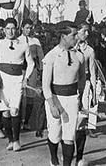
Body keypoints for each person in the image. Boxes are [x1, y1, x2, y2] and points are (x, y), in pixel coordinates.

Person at [42, 22, 85, 166]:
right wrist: (52, 104)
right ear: (63, 36)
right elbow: (45, 86)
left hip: (72, 98)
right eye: (73, 35)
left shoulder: (79, 56)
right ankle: (54, 159)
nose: (77, 38)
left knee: (69, 136)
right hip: (55, 98)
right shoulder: (51, 56)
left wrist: (80, 100)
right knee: (54, 134)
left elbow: (82, 80)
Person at [0, 18, 34, 152]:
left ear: (17, 29)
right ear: (3, 30)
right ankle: (10, 139)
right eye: (7, 28)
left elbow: (31, 63)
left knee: (15, 110)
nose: (10, 31)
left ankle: (16, 140)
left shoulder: (23, 44)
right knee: (6, 114)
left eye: (13, 28)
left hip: (17, 81)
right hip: (3, 81)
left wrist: (26, 78)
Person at [75, 23, 100, 166]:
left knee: (82, 121)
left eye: (87, 32)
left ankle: (79, 157)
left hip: (84, 85)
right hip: (70, 86)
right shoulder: (70, 49)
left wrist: (94, 94)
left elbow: (92, 72)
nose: (86, 34)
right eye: (84, 31)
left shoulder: (90, 51)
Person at [17, 19, 44, 131]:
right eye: (27, 27)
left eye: (30, 28)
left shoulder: (35, 41)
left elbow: (41, 57)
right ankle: (17, 121)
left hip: (32, 70)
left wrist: (42, 72)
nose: (29, 30)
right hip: (19, 70)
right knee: (18, 96)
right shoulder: (17, 40)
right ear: (22, 27)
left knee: (30, 97)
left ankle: (26, 121)